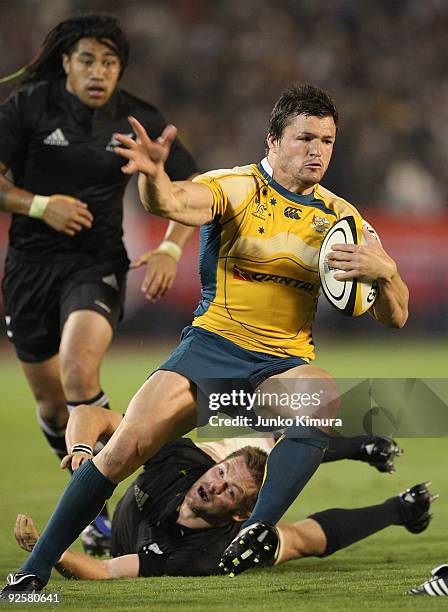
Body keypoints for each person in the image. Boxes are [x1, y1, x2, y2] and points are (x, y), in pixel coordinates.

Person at [1, 83, 409, 593]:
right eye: (305, 138)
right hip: (210, 351)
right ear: (273, 141)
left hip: (280, 364)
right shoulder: (234, 187)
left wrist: (387, 272)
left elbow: (395, 317)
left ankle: (255, 529)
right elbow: (170, 201)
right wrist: (152, 176)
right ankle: (31, 575)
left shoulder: (343, 218)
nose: (317, 151)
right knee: (123, 450)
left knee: (319, 397)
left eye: (326, 141)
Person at [0, 14, 197, 553]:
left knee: (77, 370)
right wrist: (40, 205)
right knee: (50, 405)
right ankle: (89, 497)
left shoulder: (136, 119)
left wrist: (168, 246)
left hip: (99, 264)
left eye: (109, 62)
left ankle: (101, 509)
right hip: (28, 271)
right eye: (87, 59)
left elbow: (194, 186)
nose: (98, 71)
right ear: (66, 61)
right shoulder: (28, 108)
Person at [10, 406, 431, 582]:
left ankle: (400, 511)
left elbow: (105, 573)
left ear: (238, 515)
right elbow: (89, 414)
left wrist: (52, 553)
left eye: (228, 490)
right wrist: (83, 448)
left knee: (300, 540)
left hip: (178, 543)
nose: (213, 485)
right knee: (257, 448)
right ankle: (360, 445)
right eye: (219, 477)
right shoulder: (182, 461)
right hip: (199, 462)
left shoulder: (208, 551)